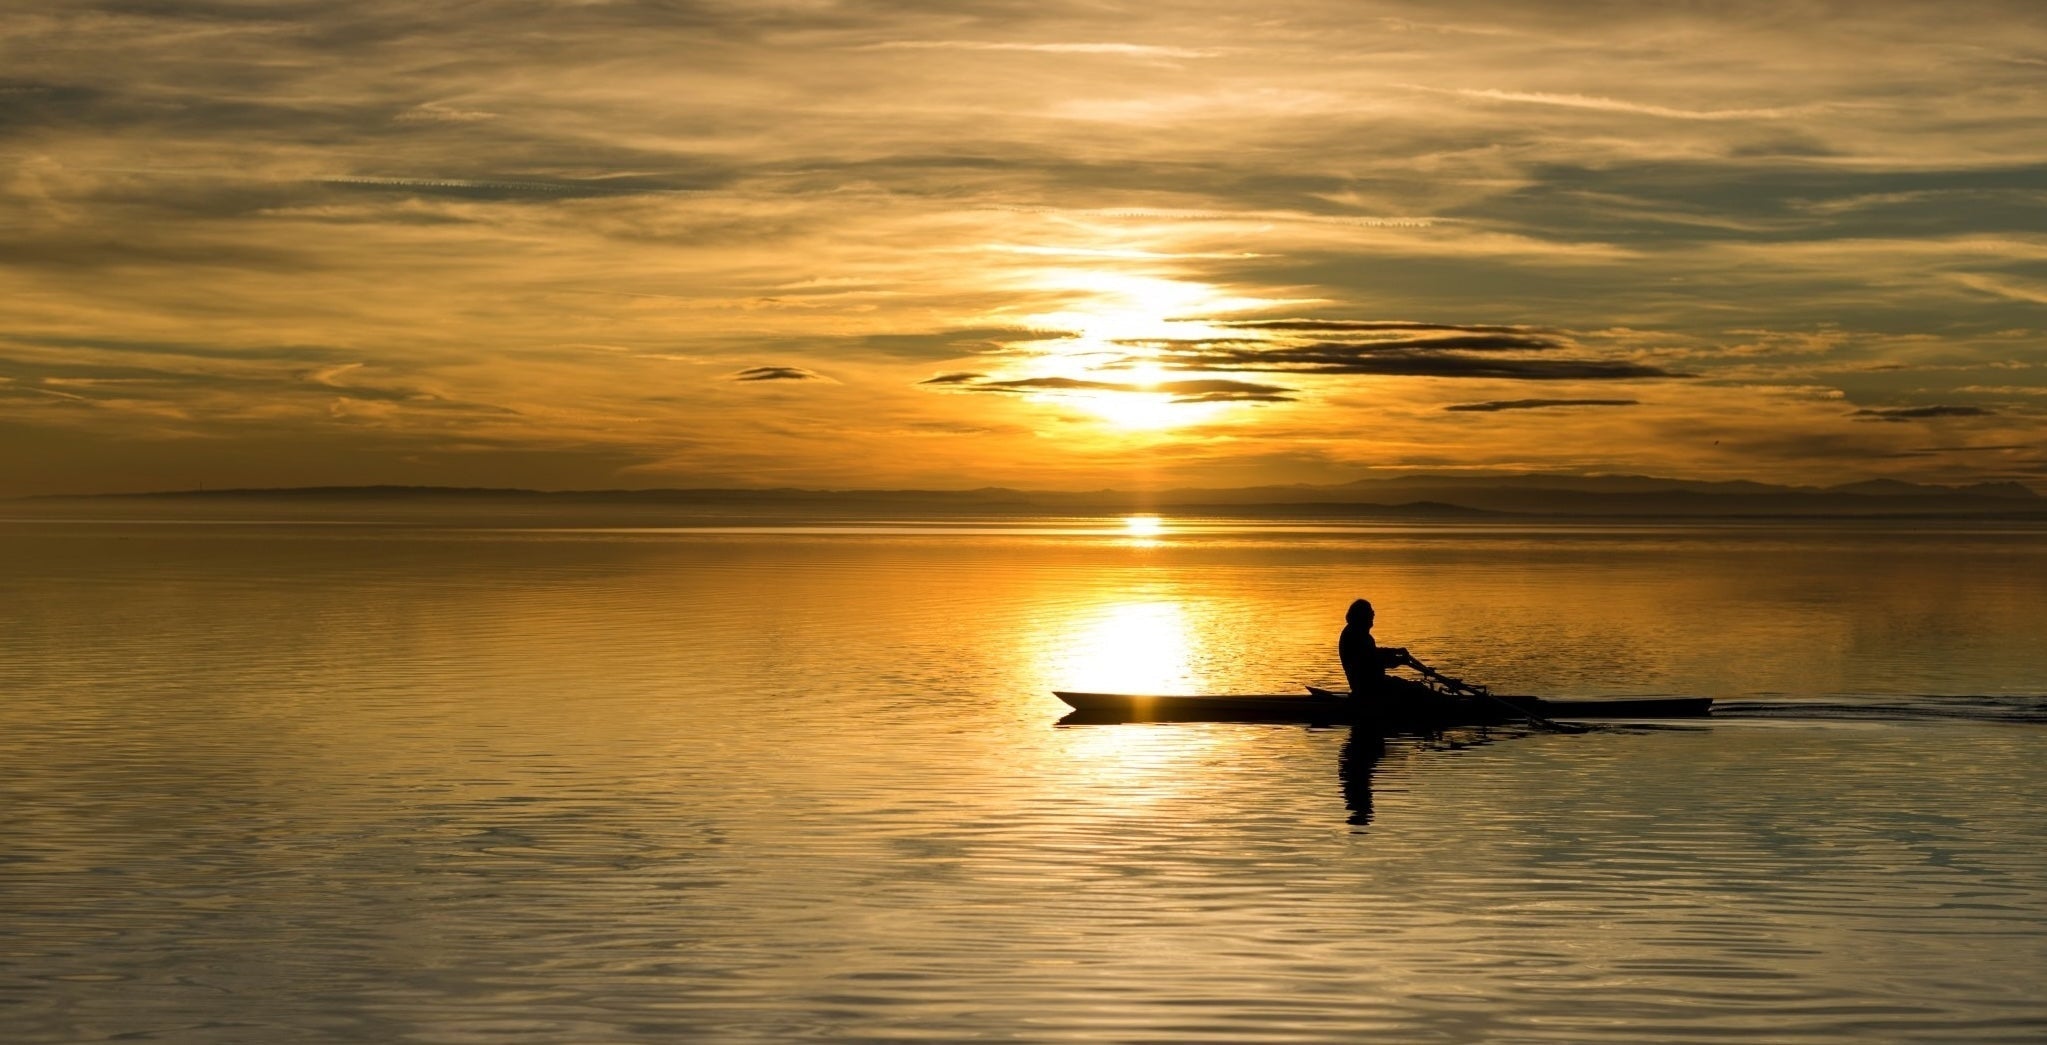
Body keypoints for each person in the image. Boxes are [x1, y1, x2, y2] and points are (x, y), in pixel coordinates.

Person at [1338, 598, 1413, 701]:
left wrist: (1396, 651)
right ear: (1361, 616)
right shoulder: (1354, 635)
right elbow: (1373, 660)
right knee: (1415, 690)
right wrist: (1399, 660)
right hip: (1369, 689)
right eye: (1371, 612)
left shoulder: (1359, 633)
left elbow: (1375, 653)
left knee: (1414, 685)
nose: (1373, 615)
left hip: (1374, 684)